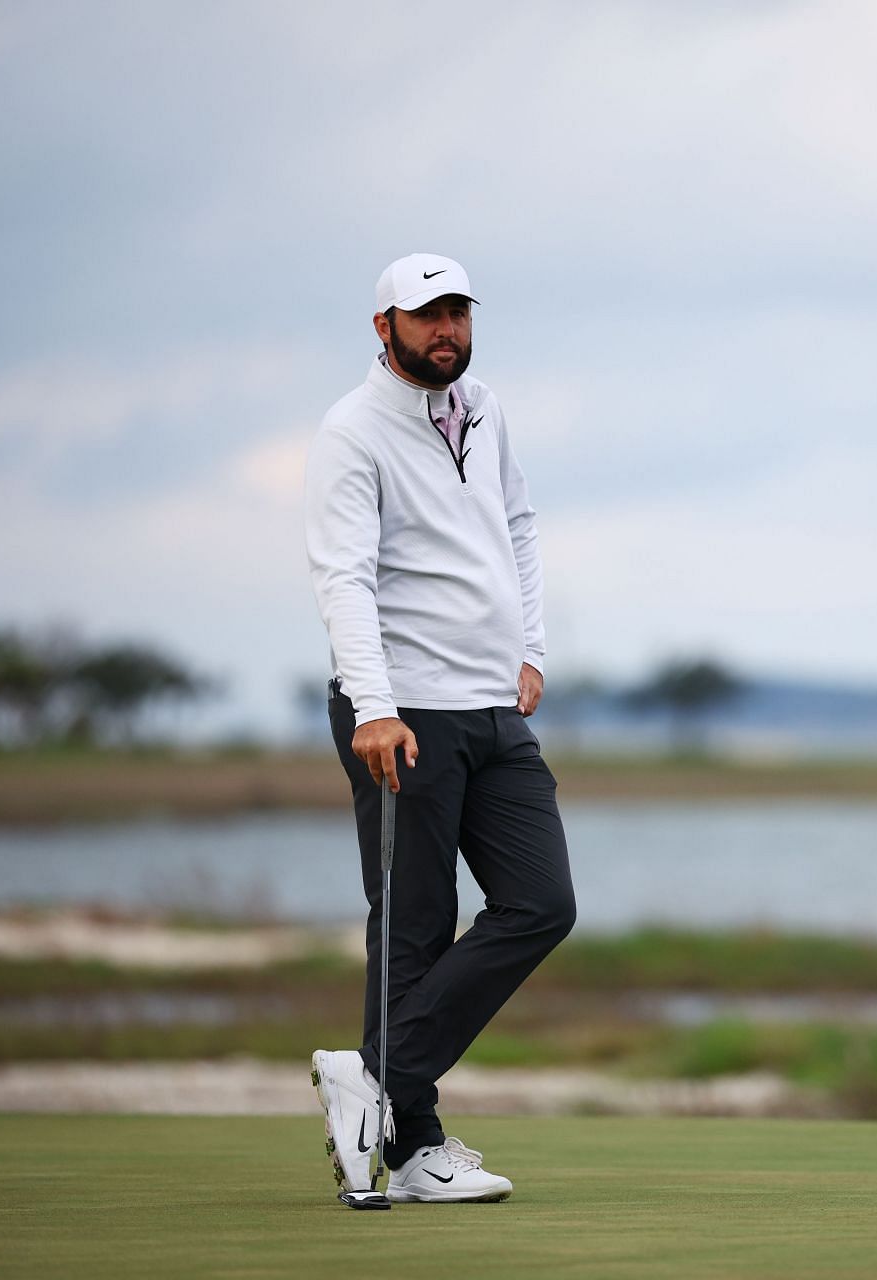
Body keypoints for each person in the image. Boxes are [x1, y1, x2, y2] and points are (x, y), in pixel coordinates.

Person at [303, 253, 575, 1205]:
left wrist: (530, 647)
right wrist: (373, 707)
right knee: (413, 928)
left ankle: (372, 1077)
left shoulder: (485, 407)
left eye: (456, 311)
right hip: (404, 712)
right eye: (426, 316)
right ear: (384, 327)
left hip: (494, 710)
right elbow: (344, 575)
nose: (446, 329)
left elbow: (520, 523)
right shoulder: (351, 433)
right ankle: (414, 1149)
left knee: (542, 903)